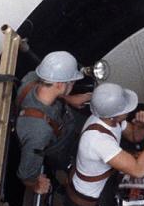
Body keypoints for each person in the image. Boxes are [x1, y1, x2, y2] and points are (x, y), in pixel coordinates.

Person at [65, 83, 144, 206]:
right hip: (89, 198)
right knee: (138, 203)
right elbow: (139, 170)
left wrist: (142, 125)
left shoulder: (107, 118)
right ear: (113, 116)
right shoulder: (99, 141)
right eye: (125, 109)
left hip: (98, 180)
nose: (129, 110)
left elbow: (135, 137)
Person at [15, 51, 93, 194]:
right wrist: (36, 185)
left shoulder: (31, 78)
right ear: (59, 84)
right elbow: (26, 173)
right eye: (71, 82)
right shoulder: (39, 132)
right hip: (61, 148)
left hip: (65, 121)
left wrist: (70, 99)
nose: (73, 84)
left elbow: (50, 92)